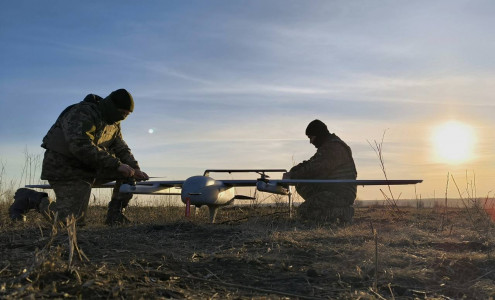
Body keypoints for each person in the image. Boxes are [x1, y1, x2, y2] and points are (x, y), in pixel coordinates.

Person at [9, 89, 149, 226]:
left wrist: (135, 168)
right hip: (64, 167)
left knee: (128, 174)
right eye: (121, 113)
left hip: (90, 166)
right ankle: (30, 199)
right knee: (70, 222)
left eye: (127, 114)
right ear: (112, 107)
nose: (123, 117)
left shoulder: (113, 123)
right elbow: (80, 145)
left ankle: (115, 216)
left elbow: (120, 147)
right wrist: (115, 164)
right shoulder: (81, 113)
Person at [283, 119, 357, 223]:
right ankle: (326, 209)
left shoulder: (334, 148)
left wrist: (293, 176)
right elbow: (311, 163)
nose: (311, 142)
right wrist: (293, 171)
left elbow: (315, 169)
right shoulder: (328, 146)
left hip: (340, 193)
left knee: (304, 212)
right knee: (301, 183)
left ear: (319, 135)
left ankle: (343, 212)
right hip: (330, 189)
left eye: (311, 137)